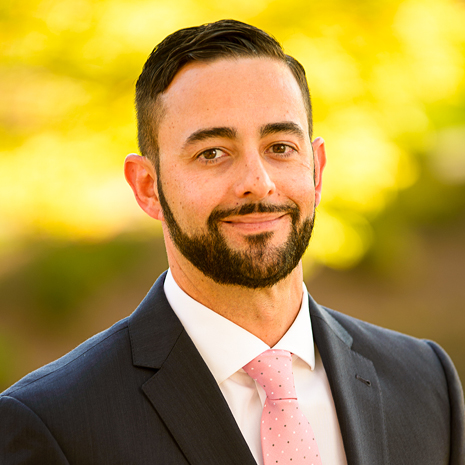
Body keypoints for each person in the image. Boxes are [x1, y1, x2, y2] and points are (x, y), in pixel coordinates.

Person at [1, 19, 464, 465]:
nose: (257, 183)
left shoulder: (425, 381)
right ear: (147, 187)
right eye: (212, 153)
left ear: (317, 169)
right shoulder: (53, 423)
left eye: (280, 146)